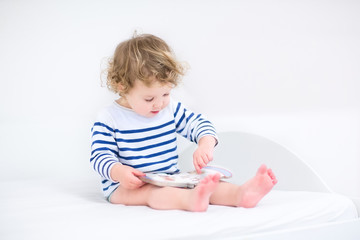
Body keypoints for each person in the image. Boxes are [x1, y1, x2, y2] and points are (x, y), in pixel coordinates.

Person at [90, 33, 277, 212]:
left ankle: (241, 194)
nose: (159, 103)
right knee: (153, 194)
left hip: (168, 178)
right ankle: (190, 200)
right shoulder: (109, 118)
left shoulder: (168, 108)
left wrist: (205, 142)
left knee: (205, 182)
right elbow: (99, 155)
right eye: (149, 99)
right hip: (126, 187)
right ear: (123, 87)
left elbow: (197, 123)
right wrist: (118, 171)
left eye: (166, 93)